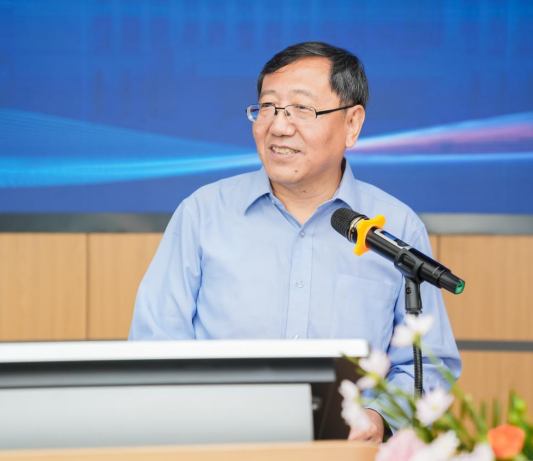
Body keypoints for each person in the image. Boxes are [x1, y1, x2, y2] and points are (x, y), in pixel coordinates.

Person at [129, 41, 461, 442]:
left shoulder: (397, 227)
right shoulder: (202, 214)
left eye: (302, 108)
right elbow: (155, 343)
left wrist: (379, 418)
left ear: (352, 124)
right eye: (267, 107)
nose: (279, 126)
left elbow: (429, 364)